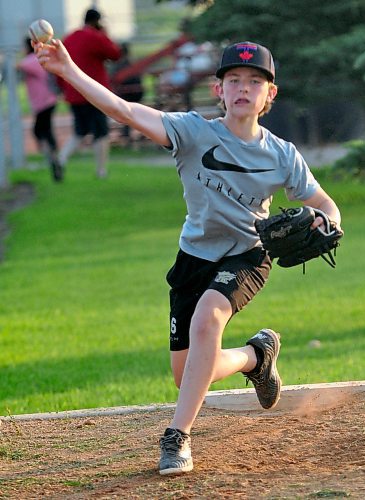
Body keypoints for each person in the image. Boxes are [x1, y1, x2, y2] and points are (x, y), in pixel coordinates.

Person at [35, 38, 342, 475]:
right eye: (232, 79)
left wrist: (327, 221)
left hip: (246, 257)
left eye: (255, 81)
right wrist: (68, 70)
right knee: (187, 375)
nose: (242, 87)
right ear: (218, 90)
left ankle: (177, 437)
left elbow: (327, 205)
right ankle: (257, 356)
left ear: (269, 95)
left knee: (208, 320)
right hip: (193, 258)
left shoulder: (281, 155)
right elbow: (125, 111)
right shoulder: (194, 131)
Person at [57, 8, 121, 178]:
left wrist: (63, 88)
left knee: (80, 131)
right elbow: (115, 54)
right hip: (94, 93)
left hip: (73, 92)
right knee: (101, 132)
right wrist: (104, 34)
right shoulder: (95, 36)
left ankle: (61, 159)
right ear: (97, 21)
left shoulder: (69, 38)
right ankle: (101, 170)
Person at [17, 37, 62, 182]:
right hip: (46, 101)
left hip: (45, 102)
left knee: (40, 132)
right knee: (44, 131)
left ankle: (54, 160)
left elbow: (19, 66)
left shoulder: (33, 59)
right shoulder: (36, 58)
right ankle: (53, 159)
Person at [110, 43, 144, 144]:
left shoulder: (119, 65)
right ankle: (129, 133)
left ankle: (127, 134)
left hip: (127, 95)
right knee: (129, 114)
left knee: (126, 113)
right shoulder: (131, 63)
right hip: (135, 94)